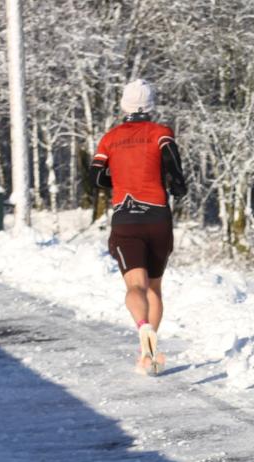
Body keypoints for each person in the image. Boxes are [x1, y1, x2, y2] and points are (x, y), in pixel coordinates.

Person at [90, 79, 188, 375]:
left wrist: (116, 181)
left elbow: (95, 178)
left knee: (136, 286)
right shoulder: (161, 133)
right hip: (158, 217)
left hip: (126, 218)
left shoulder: (110, 138)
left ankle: (142, 326)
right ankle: (149, 353)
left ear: (124, 105)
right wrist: (177, 186)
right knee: (155, 286)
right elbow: (172, 162)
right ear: (151, 105)